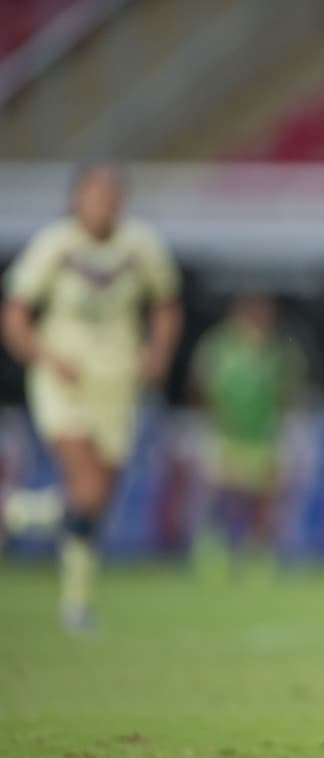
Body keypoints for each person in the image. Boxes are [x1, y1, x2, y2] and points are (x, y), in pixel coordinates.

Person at [1, 164, 182, 631]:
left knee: (96, 500)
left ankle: (22, 520)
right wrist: (44, 357)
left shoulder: (140, 246)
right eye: (95, 195)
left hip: (118, 385)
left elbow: (166, 304)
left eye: (111, 195)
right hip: (64, 382)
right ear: (78, 199)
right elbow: (16, 315)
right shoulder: (56, 246)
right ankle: (74, 604)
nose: (103, 204)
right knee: (85, 483)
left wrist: (157, 353)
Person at [188, 293, 305, 565]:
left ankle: (257, 550)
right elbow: (199, 385)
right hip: (226, 434)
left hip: (263, 435)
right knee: (224, 494)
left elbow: (290, 388)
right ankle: (215, 547)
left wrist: (281, 419)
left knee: (265, 496)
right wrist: (214, 418)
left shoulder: (278, 349)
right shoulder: (219, 346)